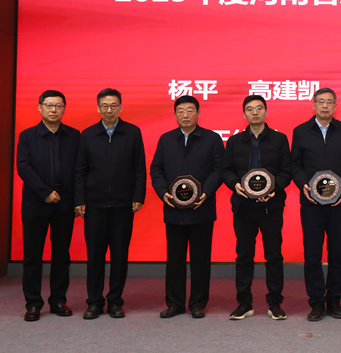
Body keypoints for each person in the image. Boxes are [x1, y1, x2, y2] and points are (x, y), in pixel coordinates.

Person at [150, 95, 224, 319]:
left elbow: (219, 169)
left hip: (201, 209)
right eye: (180, 111)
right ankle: (174, 304)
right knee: (174, 260)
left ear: (198, 113)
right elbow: (156, 169)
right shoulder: (166, 139)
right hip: (173, 209)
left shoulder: (212, 139)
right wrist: (163, 192)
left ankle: (198, 303)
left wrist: (205, 192)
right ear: (175, 115)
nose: (185, 115)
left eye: (190, 110)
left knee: (201, 259)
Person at [291, 88, 341, 321]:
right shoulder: (300, 131)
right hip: (311, 203)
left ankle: (334, 299)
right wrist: (304, 185)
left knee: (336, 252)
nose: (324, 105)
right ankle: (316, 302)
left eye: (329, 102)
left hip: (339, 203)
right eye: (320, 101)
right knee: (312, 253)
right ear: (313, 105)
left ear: (335, 106)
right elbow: (295, 164)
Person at [74, 88, 146, 319]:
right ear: (98, 108)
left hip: (123, 205)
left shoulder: (133, 132)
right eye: (104, 106)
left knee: (119, 256)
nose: (109, 110)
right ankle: (94, 302)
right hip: (94, 205)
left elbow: (139, 168)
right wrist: (80, 199)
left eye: (113, 105)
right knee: (94, 256)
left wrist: (138, 196)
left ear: (121, 107)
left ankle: (115, 301)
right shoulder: (87, 134)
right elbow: (80, 170)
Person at [222, 95, 291, 320]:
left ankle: (275, 303)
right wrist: (235, 184)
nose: (255, 112)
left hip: (271, 206)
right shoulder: (235, 141)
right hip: (244, 206)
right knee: (244, 256)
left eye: (259, 108)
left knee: (273, 255)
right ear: (244, 114)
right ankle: (244, 303)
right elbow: (226, 170)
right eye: (250, 109)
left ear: (266, 112)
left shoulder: (279, 139)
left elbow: (286, 171)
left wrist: (274, 188)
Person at [16, 90, 81, 321]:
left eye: (58, 106)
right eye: (49, 105)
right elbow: (23, 167)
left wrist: (78, 200)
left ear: (64, 109)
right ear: (40, 107)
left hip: (65, 203)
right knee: (32, 256)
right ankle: (33, 303)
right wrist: (44, 192)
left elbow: (79, 170)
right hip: (36, 203)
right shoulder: (27, 136)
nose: (54, 110)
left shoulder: (74, 136)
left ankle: (58, 300)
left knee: (61, 254)